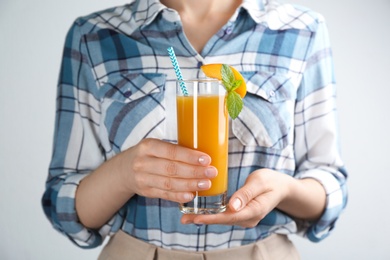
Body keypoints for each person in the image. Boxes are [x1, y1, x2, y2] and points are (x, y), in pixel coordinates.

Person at [42, 0, 348, 259]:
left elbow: (327, 180)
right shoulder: (94, 36)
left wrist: (283, 189)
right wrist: (123, 174)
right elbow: (64, 203)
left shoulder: (302, 30)